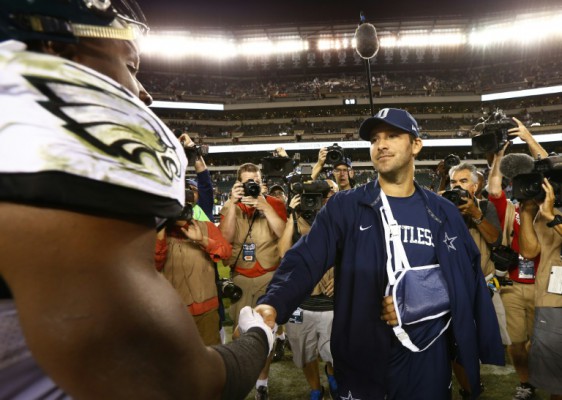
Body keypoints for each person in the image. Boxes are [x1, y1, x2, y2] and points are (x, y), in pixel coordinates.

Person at [0, 2, 274, 399]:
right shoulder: (46, 183)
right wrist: (257, 339)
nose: (142, 93)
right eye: (131, 66)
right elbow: (175, 382)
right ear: (54, 50)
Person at [256, 108, 504, 399]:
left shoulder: (443, 212)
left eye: (393, 136)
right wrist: (272, 304)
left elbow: (469, 276)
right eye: (374, 139)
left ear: (416, 145)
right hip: (361, 356)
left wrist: (424, 298)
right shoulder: (344, 206)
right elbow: (304, 258)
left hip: (425, 358)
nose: (381, 145)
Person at [487, 119, 547, 400]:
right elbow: (494, 190)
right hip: (512, 283)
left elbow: (551, 168)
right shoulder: (509, 208)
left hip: (544, 285)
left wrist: (528, 137)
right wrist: (499, 156)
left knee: (543, 343)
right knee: (517, 342)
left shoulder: (549, 209)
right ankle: (525, 383)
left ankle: (540, 377)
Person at [219, 162, 287, 399]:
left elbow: (283, 234)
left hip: (269, 276)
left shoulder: (275, 203)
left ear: (261, 181)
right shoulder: (231, 206)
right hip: (241, 277)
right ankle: (241, 379)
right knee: (240, 334)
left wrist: (266, 207)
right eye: (247, 182)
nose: (252, 186)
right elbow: (225, 241)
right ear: (238, 184)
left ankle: (262, 383)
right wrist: (232, 205)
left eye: (255, 182)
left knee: (267, 333)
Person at [446, 162, 506, 398]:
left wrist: (476, 215)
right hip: (454, 286)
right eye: (454, 182)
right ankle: (469, 389)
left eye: (463, 181)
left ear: (475, 185)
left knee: (485, 338)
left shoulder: (485, 206)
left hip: (484, 284)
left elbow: (495, 240)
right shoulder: (443, 207)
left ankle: (475, 381)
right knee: (458, 344)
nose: (458, 187)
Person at [279, 179, 339, 400]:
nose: (314, 202)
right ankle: (316, 389)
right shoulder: (295, 220)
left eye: (321, 196)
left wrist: (340, 276)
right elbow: (283, 255)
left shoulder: (339, 220)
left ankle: (332, 374)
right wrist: (291, 219)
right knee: (305, 354)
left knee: (335, 354)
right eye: (308, 197)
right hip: (302, 304)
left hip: (331, 304)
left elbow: (352, 254)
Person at [155, 189, 232, 345]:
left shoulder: (206, 227)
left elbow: (226, 253)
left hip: (207, 309)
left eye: (184, 205)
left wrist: (203, 240)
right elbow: (154, 264)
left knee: (210, 356)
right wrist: (160, 230)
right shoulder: (156, 232)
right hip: (173, 312)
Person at [517, 174, 562, 400]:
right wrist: (526, 212)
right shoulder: (545, 212)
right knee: (556, 378)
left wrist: (552, 217)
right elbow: (528, 252)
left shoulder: (550, 213)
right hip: (551, 299)